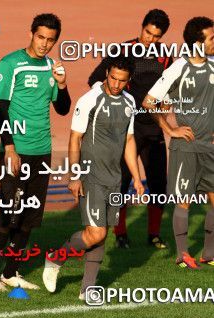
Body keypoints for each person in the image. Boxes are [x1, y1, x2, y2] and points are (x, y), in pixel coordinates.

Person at [0, 13, 71, 291]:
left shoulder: (52, 67)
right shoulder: (10, 64)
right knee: (8, 214)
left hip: (42, 150)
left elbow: (63, 108)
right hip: (16, 149)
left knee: (29, 216)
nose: (44, 44)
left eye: (51, 40)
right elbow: (0, 108)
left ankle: (11, 271)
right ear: (31, 34)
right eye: (41, 37)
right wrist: (9, 146)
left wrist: (63, 84)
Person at [43, 57, 145, 301]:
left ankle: (87, 288)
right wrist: (75, 175)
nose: (116, 84)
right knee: (96, 232)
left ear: (128, 80)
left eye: (122, 80)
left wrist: (137, 178)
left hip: (114, 177)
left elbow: (129, 141)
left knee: (102, 232)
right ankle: (55, 258)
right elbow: (74, 138)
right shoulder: (91, 99)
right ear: (107, 73)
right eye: (112, 78)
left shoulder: (130, 102)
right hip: (91, 174)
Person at [88, 9, 172, 249]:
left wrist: (166, 104)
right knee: (121, 182)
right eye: (148, 32)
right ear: (141, 27)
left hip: (153, 129)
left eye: (156, 36)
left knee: (158, 184)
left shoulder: (165, 57)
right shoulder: (123, 51)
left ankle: (154, 234)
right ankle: (121, 233)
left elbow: (171, 88)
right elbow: (94, 79)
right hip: (124, 130)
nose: (150, 39)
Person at [142, 16, 214, 269]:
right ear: (197, 42)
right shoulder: (178, 68)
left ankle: (209, 253)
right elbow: (149, 101)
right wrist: (169, 129)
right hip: (185, 146)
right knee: (183, 200)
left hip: (210, 147)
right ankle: (182, 254)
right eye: (212, 38)